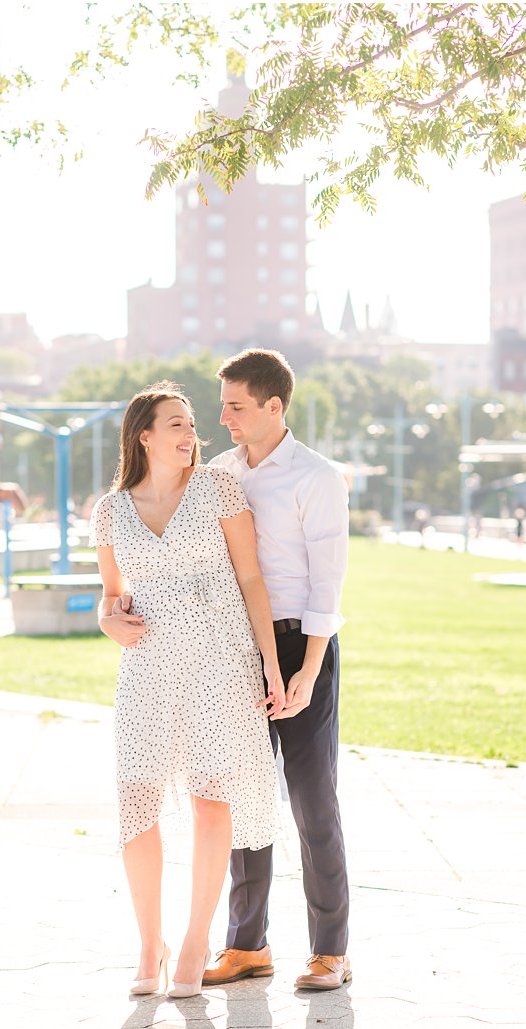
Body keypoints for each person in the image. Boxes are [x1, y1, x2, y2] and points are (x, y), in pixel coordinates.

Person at [91, 381, 286, 999]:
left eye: (191, 424)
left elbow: (252, 577)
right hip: (147, 668)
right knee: (137, 804)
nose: (190, 434)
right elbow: (109, 595)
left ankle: (198, 939)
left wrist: (271, 665)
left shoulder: (217, 489)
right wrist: (106, 620)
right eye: (175, 424)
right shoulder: (111, 509)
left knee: (210, 798)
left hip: (219, 660)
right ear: (143, 435)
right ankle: (151, 943)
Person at [199, 347, 353, 992]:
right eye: (224, 405)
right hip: (236, 650)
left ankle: (331, 952)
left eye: (236, 406)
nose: (225, 418)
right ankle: (247, 946)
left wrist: (306, 672)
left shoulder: (316, 478)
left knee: (312, 800)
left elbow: (328, 587)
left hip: (302, 649)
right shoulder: (216, 474)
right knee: (245, 798)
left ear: (273, 406)